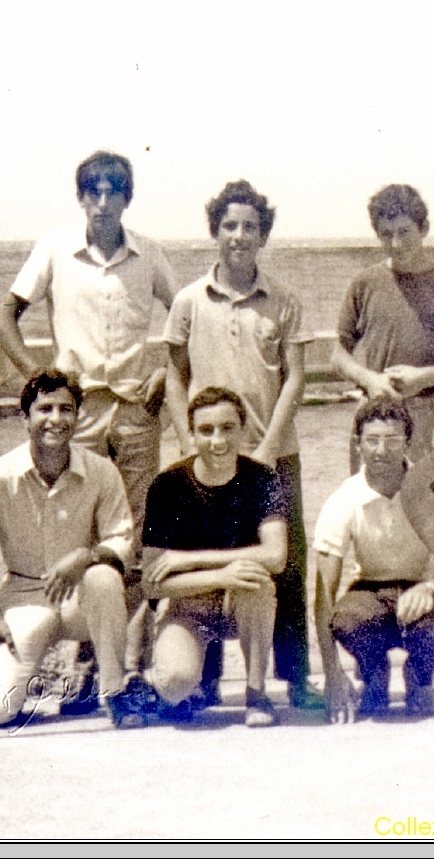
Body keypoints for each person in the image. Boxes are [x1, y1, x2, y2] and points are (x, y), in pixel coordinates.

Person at [0, 151, 177, 710]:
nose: (102, 202)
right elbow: (3, 318)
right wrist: (43, 382)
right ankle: (80, 671)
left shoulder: (149, 255)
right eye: (92, 192)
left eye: (113, 191)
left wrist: (166, 369)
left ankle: (125, 669)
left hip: (137, 415)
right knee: (78, 539)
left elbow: (185, 313)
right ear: (80, 198)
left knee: (135, 541)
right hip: (79, 415)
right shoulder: (55, 249)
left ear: (127, 198)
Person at [162, 180, 321, 711]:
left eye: (250, 227)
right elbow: (173, 377)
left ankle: (295, 679)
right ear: (215, 231)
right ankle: (205, 683)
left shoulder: (285, 301)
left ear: (263, 235)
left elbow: (296, 378)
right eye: (229, 226)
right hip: (208, 457)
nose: (239, 236)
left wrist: (268, 448)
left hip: (271, 454)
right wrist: (188, 447)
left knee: (288, 566)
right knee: (205, 561)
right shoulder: (188, 300)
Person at [329, 183, 434, 702]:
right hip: (376, 429)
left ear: (424, 228)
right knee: (370, 534)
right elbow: (338, 354)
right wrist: (369, 380)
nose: (396, 244)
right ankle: (366, 662)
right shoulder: (364, 283)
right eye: (386, 234)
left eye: (405, 232)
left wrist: (423, 377)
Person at [0, 370, 148, 728]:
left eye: (66, 409)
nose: (56, 420)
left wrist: (86, 557)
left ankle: (113, 691)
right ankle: (23, 684)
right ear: (25, 418)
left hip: (83, 600)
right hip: (25, 598)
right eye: (45, 409)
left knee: (105, 577)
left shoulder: (102, 472)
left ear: (78, 417)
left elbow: (121, 540)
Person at [141, 387, 291, 727]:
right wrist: (218, 575)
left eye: (227, 428)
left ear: (243, 429)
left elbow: (276, 556)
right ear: (191, 434)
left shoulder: (263, 479)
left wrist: (190, 559)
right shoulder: (168, 486)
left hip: (240, 600)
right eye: (206, 430)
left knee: (258, 581)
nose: (217, 440)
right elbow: (151, 583)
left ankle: (256, 693)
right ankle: (188, 684)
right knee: (174, 684)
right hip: (188, 605)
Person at [312, 399, 434, 721]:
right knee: (347, 619)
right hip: (370, 590)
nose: (382, 450)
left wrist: (430, 587)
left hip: (419, 590)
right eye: (372, 440)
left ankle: (420, 677)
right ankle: (373, 673)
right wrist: (332, 676)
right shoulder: (343, 499)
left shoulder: (431, 490)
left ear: (408, 442)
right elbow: (323, 595)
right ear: (358, 445)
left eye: (393, 440)